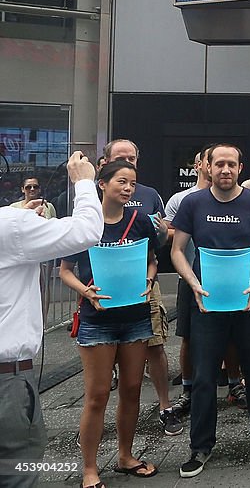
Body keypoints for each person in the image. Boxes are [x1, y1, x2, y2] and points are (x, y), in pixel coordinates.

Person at [170, 144, 250, 478]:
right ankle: (201, 446)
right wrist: (192, 282)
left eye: (231, 164)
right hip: (206, 302)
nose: (225, 170)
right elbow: (178, 250)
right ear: (207, 167)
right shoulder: (192, 203)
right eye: (219, 164)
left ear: (240, 168)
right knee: (205, 376)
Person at [0, 152, 102, 488]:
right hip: (7, 381)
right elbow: (87, 230)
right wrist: (84, 181)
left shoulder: (13, 225)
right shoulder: (11, 226)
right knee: (16, 471)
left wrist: (23, 223)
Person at [60, 160, 161, 484]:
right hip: (98, 318)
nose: (128, 188)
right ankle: (89, 468)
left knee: (132, 389)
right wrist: (85, 291)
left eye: (132, 182)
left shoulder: (141, 221)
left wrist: (149, 279)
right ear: (101, 184)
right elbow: (64, 271)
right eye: (121, 181)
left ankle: (125, 456)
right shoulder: (85, 224)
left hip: (135, 316)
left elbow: (152, 261)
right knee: (98, 394)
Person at [103, 138, 177, 431]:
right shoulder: (92, 199)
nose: (128, 162)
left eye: (132, 158)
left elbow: (160, 240)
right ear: (105, 163)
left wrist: (162, 233)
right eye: (121, 157)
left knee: (155, 345)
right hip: (104, 288)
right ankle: (103, 419)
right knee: (106, 351)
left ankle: (165, 405)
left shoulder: (150, 194)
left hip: (145, 283)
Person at [165, 147, 212, 423]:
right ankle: (187, 389)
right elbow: (172, 237)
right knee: (188, 336)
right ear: (200, 165)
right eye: (211, 161)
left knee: (230, 338)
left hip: (222, 278)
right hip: (189, 278)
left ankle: (233, 383)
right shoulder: (182, 200)